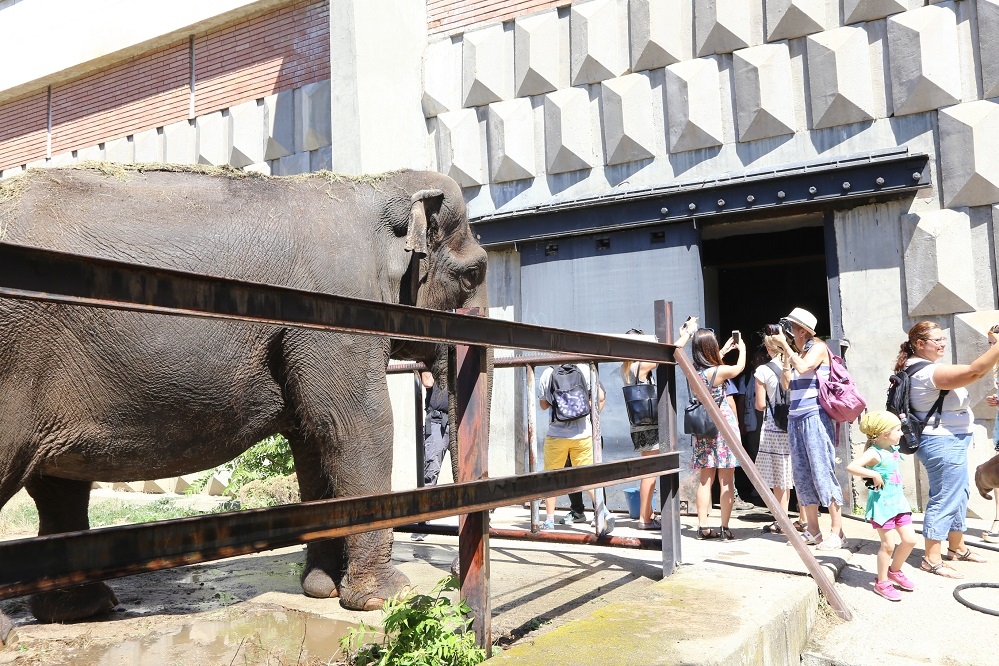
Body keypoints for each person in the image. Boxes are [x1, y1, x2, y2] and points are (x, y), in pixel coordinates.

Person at [895, 321, 999, 578]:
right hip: (941, 441)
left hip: (950, 440)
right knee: (945, 496)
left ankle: (956, 547)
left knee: (959, 493)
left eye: (943, 339)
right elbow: (976, 372)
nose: (942, 344)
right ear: (920, 344)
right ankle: (931, 557)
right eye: (936, 340)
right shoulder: (926, 372)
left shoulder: (920, 367)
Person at [770, 307, 846, 550]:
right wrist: (785, 355)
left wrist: (788, 348)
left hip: (815, 416)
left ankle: (838, 532)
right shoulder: (798, 352)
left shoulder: (818, 347)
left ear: (802, 330)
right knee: (802, 475)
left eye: (791, 327)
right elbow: (787, 384)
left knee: (822, 471)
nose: (789, 331)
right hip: (795, 417)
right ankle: (814, 531)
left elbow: (804, 369)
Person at [620, 322, 695, 530]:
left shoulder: (628, 366)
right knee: (649, 473)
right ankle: (645, 519)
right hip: (649, 427)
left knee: (648, 471)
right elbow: (669, 353)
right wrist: (687, 334)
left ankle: (648, 514)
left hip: (640, 426)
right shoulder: (639, 365)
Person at [849, 411, 917, 601]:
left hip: (899, 504)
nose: (902, 433)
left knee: (910, 540)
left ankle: (894, 570)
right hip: (882, 506)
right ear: (885, 433)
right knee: (888, 545)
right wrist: (874, 475)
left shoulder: (891, 449)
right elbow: (851, 467)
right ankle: (882, 582)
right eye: (898, 430)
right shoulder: (874, 452)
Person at [688, 327, 745, 540]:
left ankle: (703, 526)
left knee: (705, 479)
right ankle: (725, 527)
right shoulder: (719, 372)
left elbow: (711, 366)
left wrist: (722, 350)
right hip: (723, 425)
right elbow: (738, 368)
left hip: (704, 428)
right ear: (710, 347)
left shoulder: (693, 371)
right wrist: (742, 349)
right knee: (726, 479)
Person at [538, 363, 609, 532]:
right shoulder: (585, 369)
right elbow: (600, 396)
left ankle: (549, 521)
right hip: (583, 434)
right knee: (588, 477)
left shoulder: (547, 372)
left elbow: (543, 405)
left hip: (557, 435)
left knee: (551, 478)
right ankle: (603, 511)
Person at [753, 336, 794, 534]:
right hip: (795, 422)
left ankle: (781, 520)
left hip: (774, 425)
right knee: (795, 471)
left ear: (768, 349)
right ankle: (804, 519)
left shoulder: (762, 370)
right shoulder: (796, 364)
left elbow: (760, 405)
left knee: (779, 475)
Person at [412, 371, 450, 541]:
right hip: (437, 422)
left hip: (458, 420)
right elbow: (427, 381)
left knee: (469, 469)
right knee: (430, 472)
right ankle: (422, 522)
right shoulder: (434, 363)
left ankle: (478, 518)